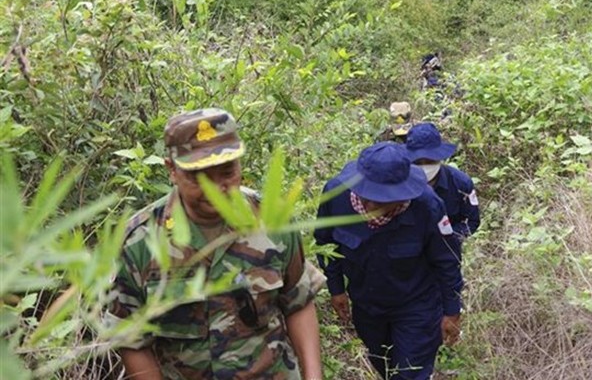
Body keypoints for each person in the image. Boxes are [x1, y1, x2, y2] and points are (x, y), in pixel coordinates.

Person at [106, 108, 325, 380]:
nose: (217, 187)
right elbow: (130, 337)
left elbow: (299, 301)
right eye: (199, 176)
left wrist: (314, 376)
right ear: (172, 170)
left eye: (227, 172)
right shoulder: (140, 242)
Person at [314, 142, 463, 380]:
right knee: (383, 363)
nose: (372, 206)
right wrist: (336, 289)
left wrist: (452, 310)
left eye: (383, 200)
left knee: (409, 375)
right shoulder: (336, 196)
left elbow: (447, 260)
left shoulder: (427, 205)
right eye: (368, 197)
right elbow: (324, 243)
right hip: (366, 305)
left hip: (416, 305)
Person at [404, 123, 480, 244]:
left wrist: (446, 241)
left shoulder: (461, 184)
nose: (424, 166)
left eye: (429, 160)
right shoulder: (398, 184)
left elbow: (471, 221)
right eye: (418, 161)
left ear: (440, 157)